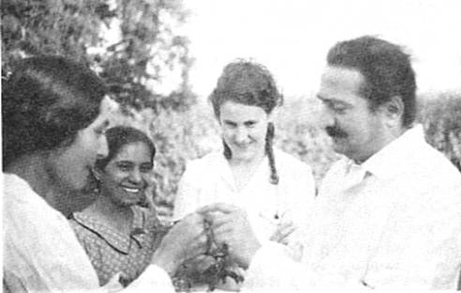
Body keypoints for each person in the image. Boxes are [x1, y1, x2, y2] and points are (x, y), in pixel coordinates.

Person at [201, 36, 461, 291]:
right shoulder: (342, 173)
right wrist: (247, 245)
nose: (324, 120)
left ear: (392, 111)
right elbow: (306, 263)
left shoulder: (433, 188)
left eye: (339, 108)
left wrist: (256, 255)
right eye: (324, 105)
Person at [2, 56, 206, 292]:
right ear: (57, 130)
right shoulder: (31, 221)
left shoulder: (17, 205)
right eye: (98, 132)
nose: (103, 150)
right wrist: (166, 263)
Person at [173, 60, 315, 289]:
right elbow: (181, 259)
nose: (240, 136)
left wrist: (219, 252)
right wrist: (266, 250)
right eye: (230, 124)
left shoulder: (296, 176)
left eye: (250, 124)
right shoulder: (197, 174)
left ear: (270, 116)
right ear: (218, 118)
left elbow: (301, 263)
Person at [70, 126, 166, 287]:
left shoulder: (148, 222)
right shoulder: (78, 233)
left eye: (145, 169)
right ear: (97, 170)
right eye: (124, 167)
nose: (136, 178)